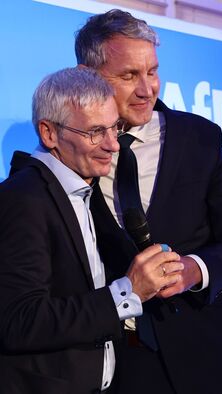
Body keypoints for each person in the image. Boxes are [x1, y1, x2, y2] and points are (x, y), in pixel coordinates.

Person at [74, 9, 222, 394]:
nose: (147, 88)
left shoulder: (199, 138)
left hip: (220, 362)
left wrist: (195, 270)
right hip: (127, 370)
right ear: (89, 76)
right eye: (129, 75)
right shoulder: (69, 153)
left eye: (152, 71)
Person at [0, 67, 184, 394]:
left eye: (114, 127)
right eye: (96, 132)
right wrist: (127, 292)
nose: (113, 145)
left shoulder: (82, 189)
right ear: (49, 133)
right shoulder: (22, 200)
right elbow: (20, 320)